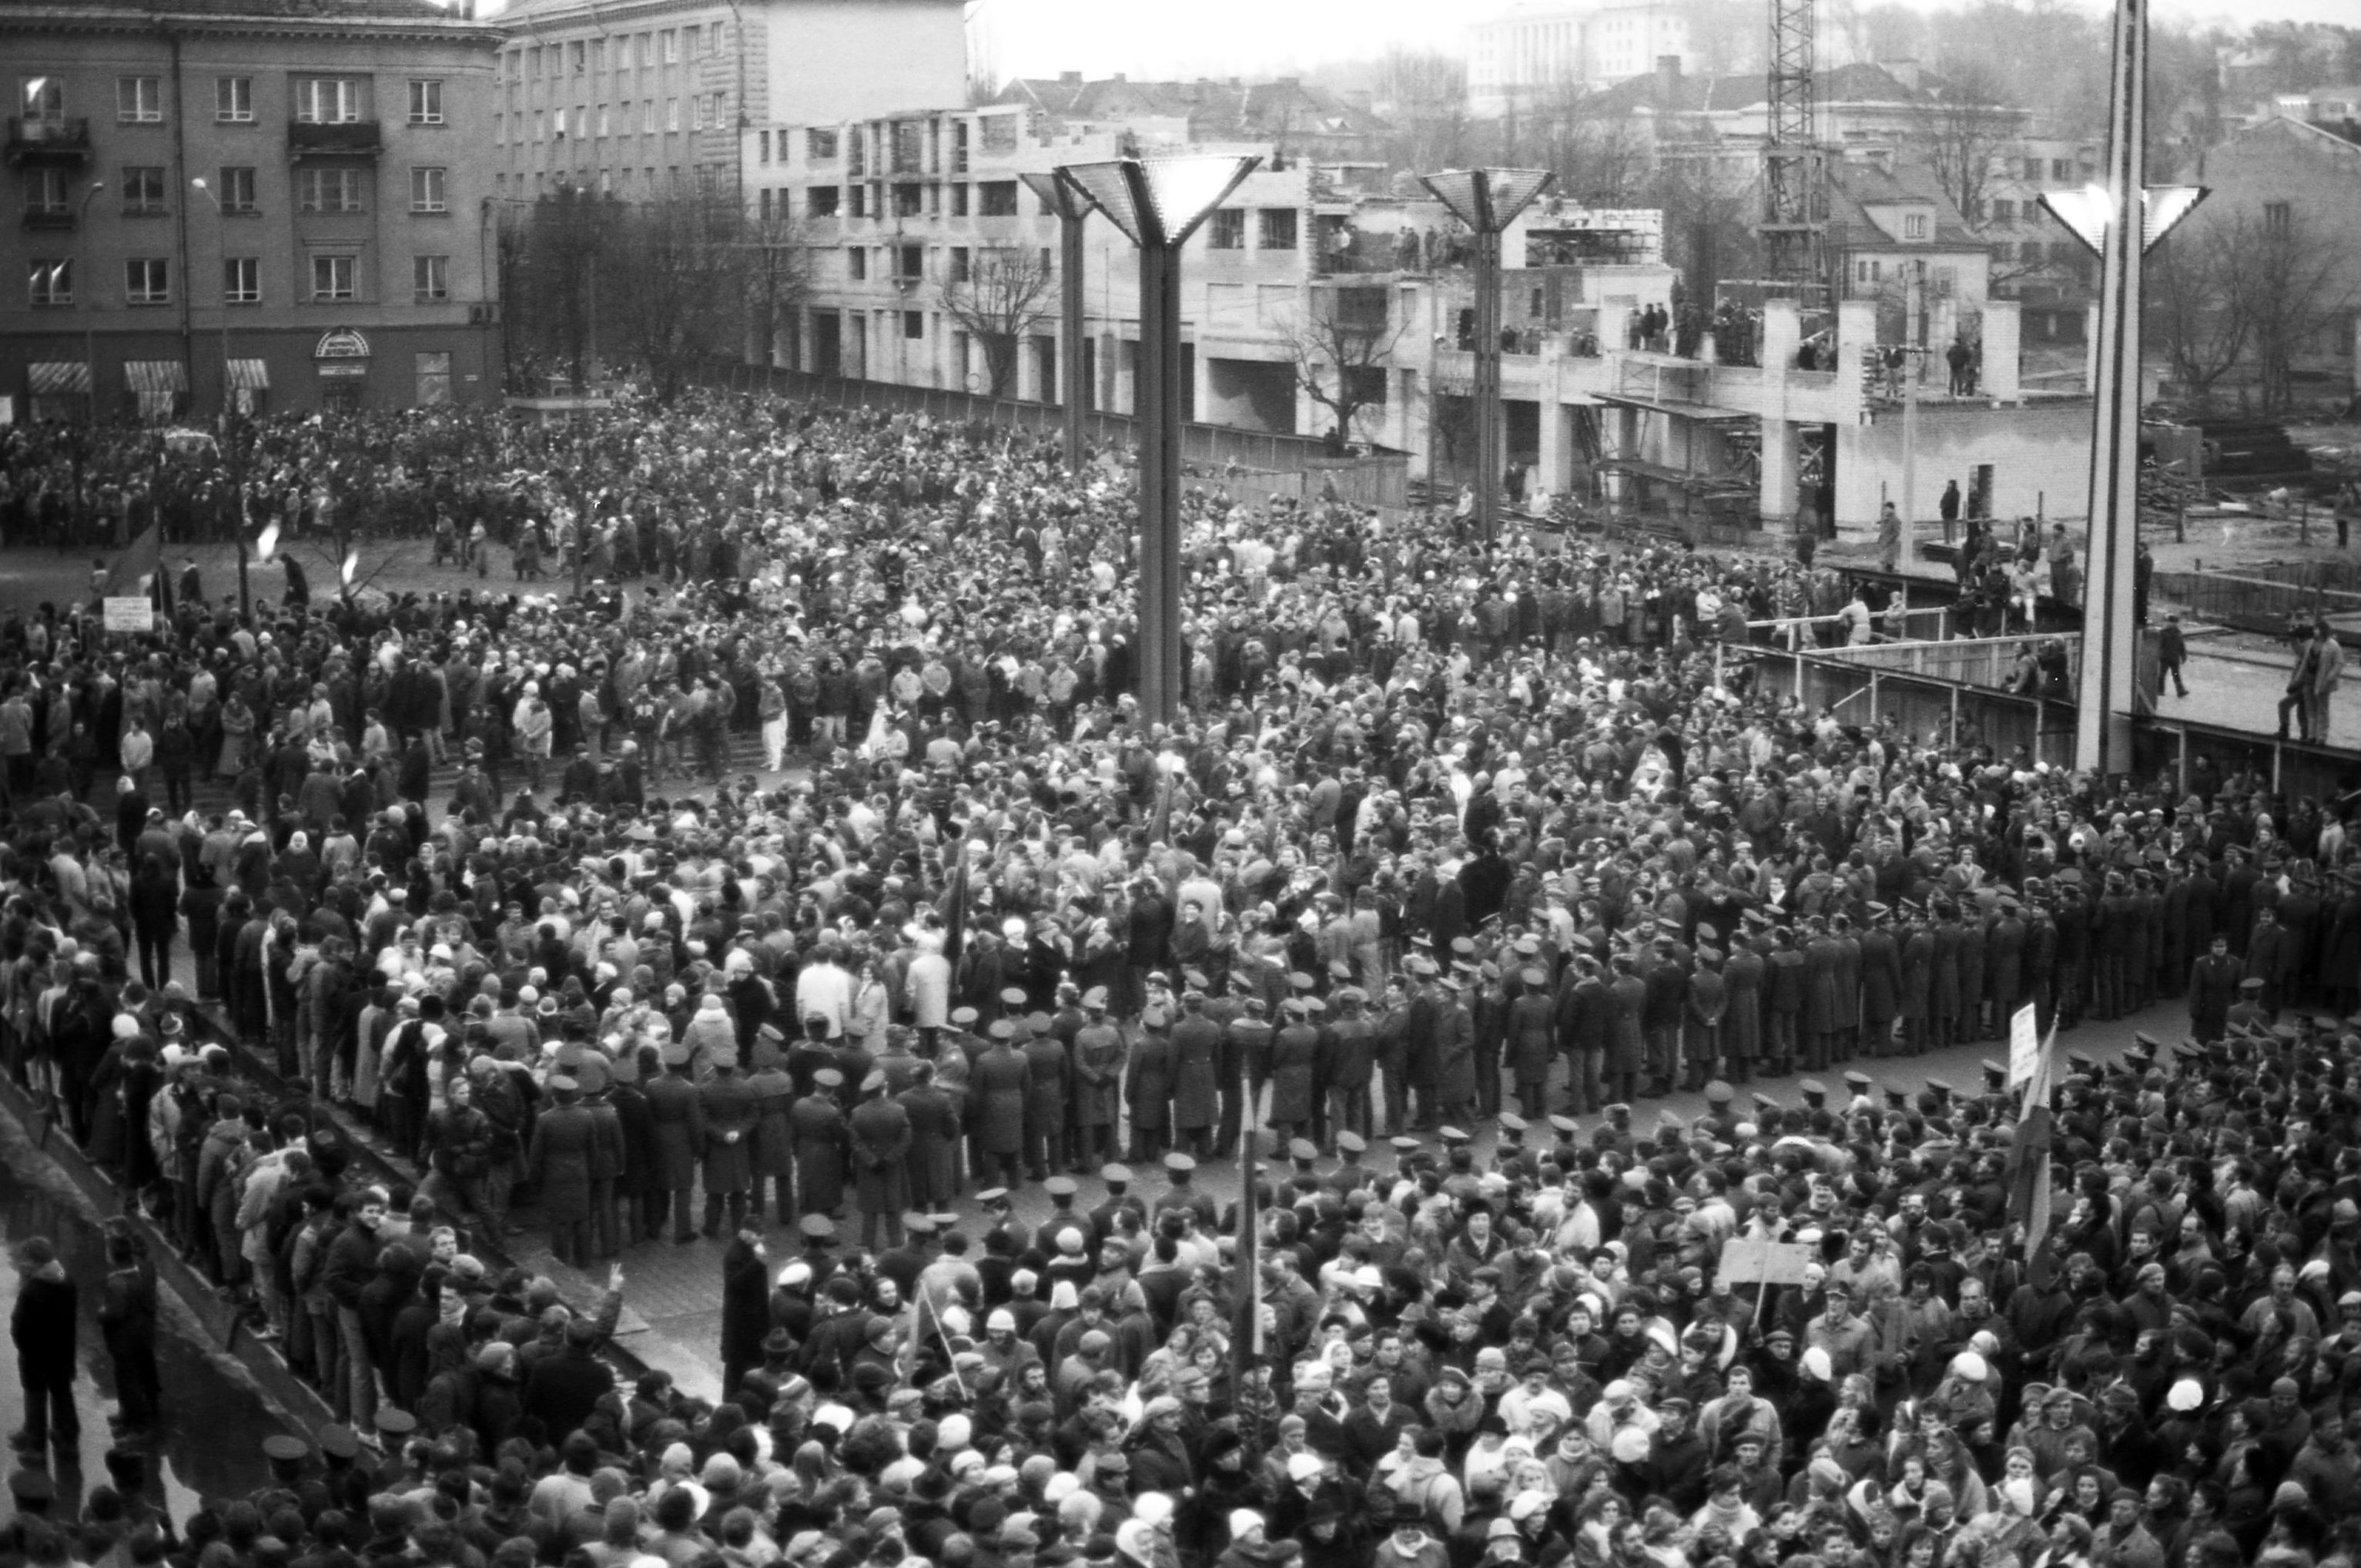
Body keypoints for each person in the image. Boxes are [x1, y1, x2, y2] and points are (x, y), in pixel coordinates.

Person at [10, 1235, 79, 1458]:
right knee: (62, 1395)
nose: (23, 1263)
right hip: (62, 1351)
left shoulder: (32, 1289)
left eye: (26, 1260)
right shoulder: (66, 1280)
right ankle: (67, 1439)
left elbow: (19, 1326)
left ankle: (36, 1444)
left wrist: (24, 1349)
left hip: (35, 1356)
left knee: (35, 1398)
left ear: (35, 1261)